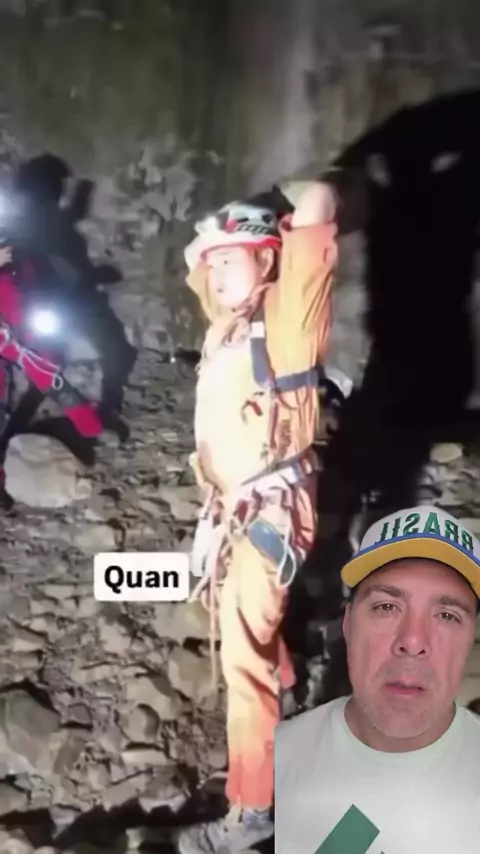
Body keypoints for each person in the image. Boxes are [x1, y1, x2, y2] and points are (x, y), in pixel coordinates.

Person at [175, 181, 339, 854]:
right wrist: (220, 234)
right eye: (211, 264)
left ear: (269, 259)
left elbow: (319, 200)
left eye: (230, 259)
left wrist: (271, 202)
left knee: (242, 658)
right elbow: (196, 259)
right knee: (241, 623)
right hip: (232, 509)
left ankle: (252, 810)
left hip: (269, 510)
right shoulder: (227, 324)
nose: (214, 272)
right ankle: (287, 694)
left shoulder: (288, 321)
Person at [275, 504, 480, 854]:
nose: (412, 641)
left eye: (447, 615)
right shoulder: (278, 757)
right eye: (386, 607)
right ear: (347, 625)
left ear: (470, 640)